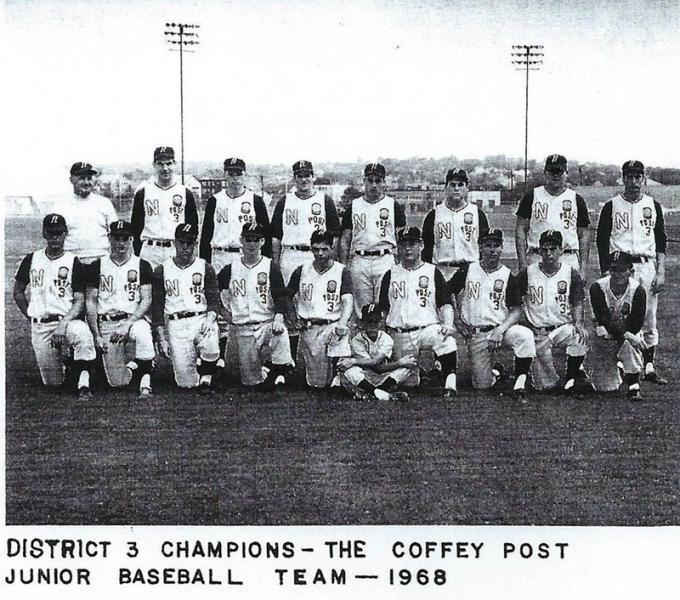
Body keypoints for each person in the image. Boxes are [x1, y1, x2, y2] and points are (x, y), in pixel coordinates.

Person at [595, 159, 667, 384]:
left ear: (643, 178)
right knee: (618, 313)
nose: (634, 181)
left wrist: (661, 270)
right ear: (623, 178)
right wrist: (606, 271)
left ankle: (649, 365)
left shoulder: (652, 205)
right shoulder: (612, 205)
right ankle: (624, 361)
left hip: (646, 264)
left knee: (649, 315)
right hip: (620, 266)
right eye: (629, 176)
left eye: (638, 177)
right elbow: (601, 240)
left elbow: (661, 240)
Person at [199, 157, 272, 369]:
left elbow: (264, 235)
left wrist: (264, 262)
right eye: (231, 173)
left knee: (247, 301)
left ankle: (258, 355)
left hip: (246, 257)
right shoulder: (215, 200)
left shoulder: (255, 200)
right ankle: (219, 356)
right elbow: (206, 235)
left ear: (245, 175)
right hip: (220, 255)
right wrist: (205, 265)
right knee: (222, 304)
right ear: (225, 175)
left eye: (238, 173)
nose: (234, 178)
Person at [13, 213, 96, 397]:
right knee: (53, 383)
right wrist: (30, 316)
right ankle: (70, 363)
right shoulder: (31, 259)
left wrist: (62, 325)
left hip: (67, 320)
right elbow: (18, 291)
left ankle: (84, 382)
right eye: (51, 233)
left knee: (83, 334)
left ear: (65, 233)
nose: (55, 238)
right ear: (44, 234)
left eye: (58, 233)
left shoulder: (73, 261)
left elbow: (80, 300)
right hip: (41, 325)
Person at [449, 229, 535, 399]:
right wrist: (457, 321)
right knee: (482, 385)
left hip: (501, 330)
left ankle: (519, 383)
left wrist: (499, 330)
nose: (493, 250)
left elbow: (517, 310)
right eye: (488, 246)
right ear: (480, 247)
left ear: (502, 247)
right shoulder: (467, 270)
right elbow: (446, 292)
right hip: (477, 334)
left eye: (496, 245)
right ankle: (496, 371)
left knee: (525, 335)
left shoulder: (507, 275)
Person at [271, 160, 341, 364]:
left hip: (316, 255)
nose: (304, 180)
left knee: (316, 302)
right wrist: (275, 264)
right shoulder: (285, 201)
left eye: (307, 175)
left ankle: (324, 354)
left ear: (313, 177)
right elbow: (276, 236)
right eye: (299, 176)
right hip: (291, 254)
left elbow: (334, 235)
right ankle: (289, 359)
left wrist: (331, 261)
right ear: (294, 178)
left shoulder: (324, 200)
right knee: (289, 305)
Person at [377, 226, 458, 397]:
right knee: (409, 383)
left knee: (445, 338)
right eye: (404, 244)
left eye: (412, 243)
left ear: (421, 245)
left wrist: (448, 324)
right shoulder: (390, 274)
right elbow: (383, 309)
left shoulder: (432, 271)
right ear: (398, 247)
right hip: (399, 334)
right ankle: (425, 372)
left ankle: (450, 380)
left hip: (426, 329)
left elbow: (445, 303)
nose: (408, 248)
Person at [217, 223, 294, 389]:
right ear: (241, 241)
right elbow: (211, 290)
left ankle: (280, 370)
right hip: (242, 328)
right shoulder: (231, 269)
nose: (252, 244)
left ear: (263, 241)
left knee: (281, 332)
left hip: (266, 324)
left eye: (256, 240)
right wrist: (223, 311)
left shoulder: (270, 267)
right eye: (248, 240)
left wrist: (279, 316)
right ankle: (264, 369)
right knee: (250, 381)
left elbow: (280, 295)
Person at [84, 220, 155, 398]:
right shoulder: (97, 266)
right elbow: (91, 302)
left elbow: (146, 300)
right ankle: (134, 366)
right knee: (118, 382)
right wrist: (96, 335)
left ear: (132, 239)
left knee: (144, 332)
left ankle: (146, 382)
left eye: (125, 238)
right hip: (108, 323)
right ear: (110, 238)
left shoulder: (142, 265)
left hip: (132, 320)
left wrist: (128, 324)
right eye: (117, 238)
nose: (121, 243)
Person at [516, 230, 589, 393]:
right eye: (545, 249)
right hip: (538, 333)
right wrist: (524, 322)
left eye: (553, 248)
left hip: (561, 328)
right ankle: (536, 371)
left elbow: (577, 302)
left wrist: (578, 323)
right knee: (545, 386)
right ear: (540, 250)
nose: (549, 253)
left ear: (561, 250)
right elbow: (514, 301)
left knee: (579, 336)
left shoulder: (570, 273)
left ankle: (571, 379)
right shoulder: (527, 273)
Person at [152, 223, 220, 393]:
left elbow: (214, 301)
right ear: (175, 242)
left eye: (190, 243)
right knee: (186, 383)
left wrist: (210, 320)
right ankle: (198, 364)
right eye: (182, 242)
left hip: (200, 318)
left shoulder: (205, 267)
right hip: (176, 324)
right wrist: (162, 338)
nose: (185, 247)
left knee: (211, 343)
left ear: (195, 244)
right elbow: (157, 309)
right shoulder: (162, 270)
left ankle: (206, 377)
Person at [288, 230, 353, 388]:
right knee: (318, 384)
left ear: (332, 247)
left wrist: (343, 322)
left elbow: (348, 300)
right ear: (311, 248)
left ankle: (340, 376)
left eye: (324, 249)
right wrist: (293, 318)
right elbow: (286, 296)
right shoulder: (302, 270)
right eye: (316, 249)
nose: (320, 253)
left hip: (333, 324)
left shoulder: (341, 271)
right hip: (310, 327)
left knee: (342, 335)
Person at [339, 162, 407, 313]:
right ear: (364, 181)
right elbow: (345, 239)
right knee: (362, 309)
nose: (374, 185)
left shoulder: (392, 205)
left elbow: (401, 237)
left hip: (385, 258)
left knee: (387, 306)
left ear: (384, 182)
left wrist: (402, 265)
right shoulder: (354, 205)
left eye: (378, 180)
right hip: (360, 259)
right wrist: (343, 267)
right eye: (370, 180)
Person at [515, 154, 590, 279]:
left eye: (559, 172)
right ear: (545, 173)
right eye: (552, 171)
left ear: (566, 173)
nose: (556, 175)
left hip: (567, 257)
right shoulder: (532, 196)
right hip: (537, 256)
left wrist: (583, 268)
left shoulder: (576, 199)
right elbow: (520, 229)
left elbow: (584, 235)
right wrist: (522, 262)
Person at [588, 251, 646, 400]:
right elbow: (603, 318)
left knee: (631, 341)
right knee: (604, 388)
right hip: (605, 334)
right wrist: (624, 334)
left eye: (622, 270)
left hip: (627, 332)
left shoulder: (638, 290)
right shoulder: (597, 288)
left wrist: (628, 335)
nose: (618, 274)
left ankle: (634, 384)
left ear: (631, 271)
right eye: (614, 270)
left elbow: (636, 323)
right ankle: (620, 370)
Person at [131, 146, 199, 269]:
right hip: (150, 250)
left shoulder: (185, 193)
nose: (165, 168)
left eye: (168, 163)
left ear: (175, 164)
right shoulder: (143, 192)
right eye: (160, 164)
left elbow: (193, 226)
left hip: (175, 250)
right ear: (154, 165)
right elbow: (136, 228)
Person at [337, 303, 415, 401]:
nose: (372, 324)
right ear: (362, 323)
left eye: (376, 321)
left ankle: (369, 393)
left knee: (407, 366)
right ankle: (385, 394)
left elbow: (377, 365)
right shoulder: (356, 340)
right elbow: (373, 366)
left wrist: (353, 361)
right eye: (369, 321)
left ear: (381, 322)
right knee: (349, 370)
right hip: (366, 375)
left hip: (384, 375)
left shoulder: (387, 339)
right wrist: (353, 363)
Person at [422, 168, 490, 280]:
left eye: (460, 184)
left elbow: (484, 245)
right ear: (446, 188)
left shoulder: (477, 214)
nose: (456, 188)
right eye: (452, 185)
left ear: (466, 188)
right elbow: (427, 248)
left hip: (471, 271)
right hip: (442, 271)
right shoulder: (434, 215)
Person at [60, 161, 119, 264]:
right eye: (82, 178)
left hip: (101, 259)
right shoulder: (61, 205)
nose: (86, 182)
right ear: (72, 180)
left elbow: (116, 234)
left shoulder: (104, 203)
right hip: (71, 260)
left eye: (89, 178)